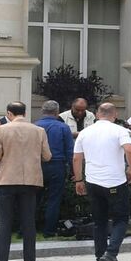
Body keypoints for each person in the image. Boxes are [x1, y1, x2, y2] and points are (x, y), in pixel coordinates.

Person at [0, 101, 50, 261]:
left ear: (9, 113)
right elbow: (47, 156)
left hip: (7, 180)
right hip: (31, 180)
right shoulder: (39, 131)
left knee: (5, 224)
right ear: (24, 112)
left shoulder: (1, 130)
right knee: (29, 223)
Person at [74, 103, 131, 261]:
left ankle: (100, 258)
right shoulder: (119, 130)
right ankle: (111, 253)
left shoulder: (85, 132)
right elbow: (129, 150)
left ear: (96, 114)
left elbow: (77, 158)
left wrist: (79, 180)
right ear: (115, 114)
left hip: (93, 181)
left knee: (99, 221)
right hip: (115, 180)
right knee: (121, 219)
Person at [36, 101, 73, 237]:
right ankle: (49, 230)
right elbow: (70, 151)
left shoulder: (34, 126)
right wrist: (75, 172)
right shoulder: (63, 127)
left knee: (33, 198)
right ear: (57, 112)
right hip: (57, 165)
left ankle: (27, 228)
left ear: (42, 111)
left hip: (37, 165)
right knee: (54, 199)